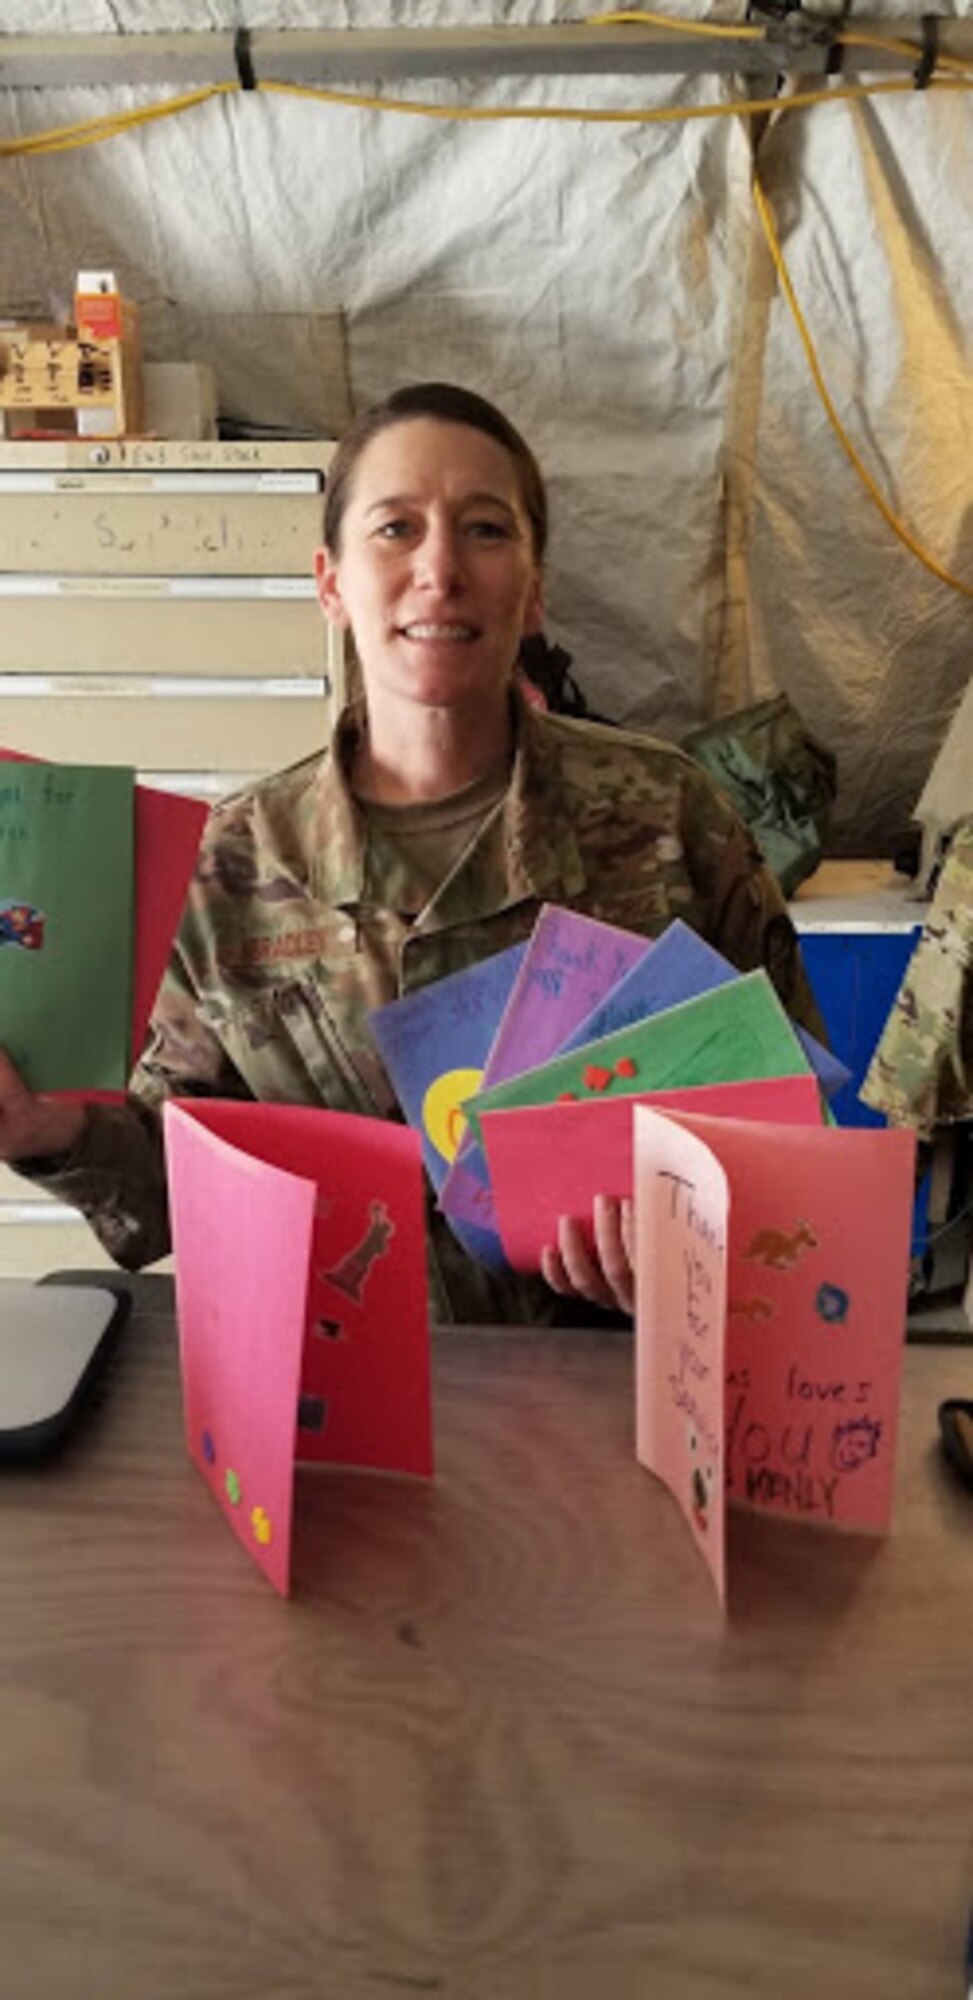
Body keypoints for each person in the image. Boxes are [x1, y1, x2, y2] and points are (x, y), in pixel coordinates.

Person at [0, 381, 824, 1324]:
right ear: (329, 582)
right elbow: (173, 1177)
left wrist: (685, 1242)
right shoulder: (234, 860)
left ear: (534, 589)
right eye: (395, 529)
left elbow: (785, 1124)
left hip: (614, 1393)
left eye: (484, 529)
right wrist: (46, 1128)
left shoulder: (668, 816)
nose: (440, 568)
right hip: (340, 1399)